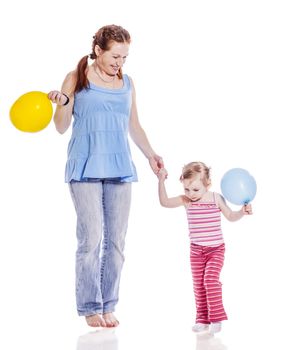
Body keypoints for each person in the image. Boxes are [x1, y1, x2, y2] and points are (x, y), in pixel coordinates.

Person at [48, 24, 163, 328]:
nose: (119, 63)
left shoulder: (127, 83)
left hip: (119, 166)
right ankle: (89, 306)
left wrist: (151, 155)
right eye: (115, 56)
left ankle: (108, 303)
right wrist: (63, 103)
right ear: (98, 50)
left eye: (124, 57)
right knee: (92, 238)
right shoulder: (77, 77)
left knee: (116, 241)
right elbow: (60, 126)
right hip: (85, 165)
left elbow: (133, 125)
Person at [157, 161, 252, 334]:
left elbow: (230, 216)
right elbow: (164, 202)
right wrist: (161, 180)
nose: (191, 194)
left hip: (216, 249)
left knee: (210, 280)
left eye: (195, 190)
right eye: (186, 189)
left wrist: (241, 212)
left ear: (207, 184)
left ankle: (216, 318)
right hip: (196, 251)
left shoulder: (216, 198)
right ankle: (202, 319)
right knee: (199, 285)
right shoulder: (186, 200)